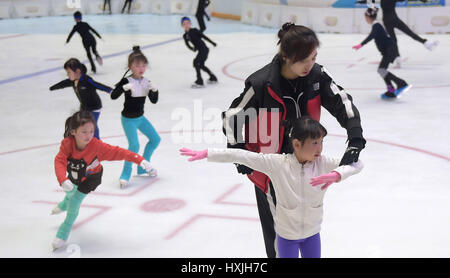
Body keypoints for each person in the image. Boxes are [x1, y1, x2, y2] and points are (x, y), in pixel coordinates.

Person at [221, 23, 366, 258]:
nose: (310, 65)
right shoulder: (261, 84)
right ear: (286, 56)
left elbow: (343, 103)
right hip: (271, 174)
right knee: (279, 240)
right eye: (304, 60)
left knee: (307, 229)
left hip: (308, 169)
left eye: (314, 57)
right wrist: (239, 153)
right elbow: (232, 118)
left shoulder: (316, 76)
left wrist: (355, 139)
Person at [180, 116, 364, 258]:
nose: (320, 148)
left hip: (312, 235)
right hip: (286, 238)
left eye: (322, 142)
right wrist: (207, 153)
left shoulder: (323, 163)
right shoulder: (277, 164)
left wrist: (337, 174)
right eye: (315, 143)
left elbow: (357, 163)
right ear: (297, 144)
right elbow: (241, 156)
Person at [51, 111, 154, 250]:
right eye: (84, 132)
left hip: (91, 178)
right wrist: (62, 179)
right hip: (74, 176)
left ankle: (63, 232)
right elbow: (60, 161)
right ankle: (64, 204)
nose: (89, 136)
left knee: (75, 200)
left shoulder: (97, 146)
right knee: (70, 193)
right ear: (73, 131)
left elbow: (119, 152)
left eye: (91, 131)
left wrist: (139, 159)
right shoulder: (67, 144)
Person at [111, 46, 160, 189]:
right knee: (134, 146)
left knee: (155, 139)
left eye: (143, 65)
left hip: (140, 118)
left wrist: (155, 90)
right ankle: (125, 174)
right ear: (130, 66)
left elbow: (154, 100)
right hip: (128, 120)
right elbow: (113, 96)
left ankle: (142, 167)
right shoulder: (126, 81)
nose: (141, 68)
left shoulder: (146, 81)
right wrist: (122, 88)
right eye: (137, 65)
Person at [356, 0, 439, 68]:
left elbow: (371, 2)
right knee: (409, 33)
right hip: (394, 19)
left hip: (387, 21)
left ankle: (398, 58)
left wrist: (361, 2)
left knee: (394, 40)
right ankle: (426, 43)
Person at [352, 7, 411, 99]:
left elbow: (371, 36)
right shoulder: (377, 25)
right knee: (382, 70)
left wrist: (361, 44)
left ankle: (402, 83)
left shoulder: (377, 26)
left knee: (382, 70)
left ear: (368, 17)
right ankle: (391, 91)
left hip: (390, 50)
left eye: (365, 17)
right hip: (389, 50)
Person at [49, 58, 112, 139]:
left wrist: (110, 91)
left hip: (94, 107)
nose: (67, 75)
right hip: (84, 107)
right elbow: (63, 83)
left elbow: (98, 85)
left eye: (69, 72)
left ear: (78, 71)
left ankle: (97, 144)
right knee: (81, 124)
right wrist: (53, 87)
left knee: (91, 125)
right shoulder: (73, 81)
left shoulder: (87, 80)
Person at [181, 16, 218, 88]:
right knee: (201, 65)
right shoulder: (185, 35)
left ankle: (199, 81)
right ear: (182, 25)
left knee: (196, 62)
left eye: (188, 23)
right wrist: (192, 49)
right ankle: (213, 77)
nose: (186, 25)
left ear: (190, 23)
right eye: (184, 24)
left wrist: (212, 43)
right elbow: (187, 44)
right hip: (201, 50)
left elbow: (204, 37)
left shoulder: (194, 30)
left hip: (204, 49)